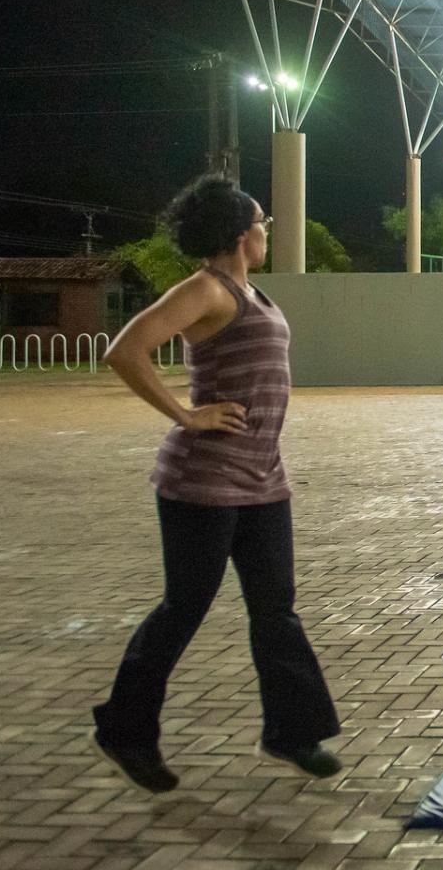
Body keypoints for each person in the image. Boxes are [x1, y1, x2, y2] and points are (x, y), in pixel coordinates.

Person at [91, 175, 341, 792]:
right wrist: (187, 414)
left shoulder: (250, 293)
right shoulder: (204, 288)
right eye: (262, 222)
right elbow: (126, 350)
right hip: (202, 480)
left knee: (275, 609)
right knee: (184, 609)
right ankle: (125, 730)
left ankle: (292, 732)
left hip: (262, 478)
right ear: (239, 233)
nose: (267, 231)